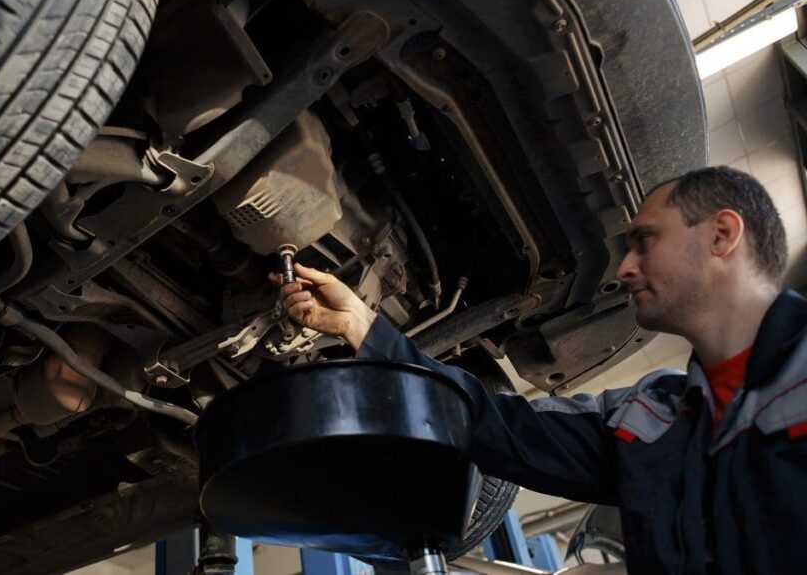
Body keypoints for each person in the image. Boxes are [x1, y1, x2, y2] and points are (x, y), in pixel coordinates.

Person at [275, 166, 807, 574]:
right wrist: (363, 326)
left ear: (721, 235)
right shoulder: (649, 418)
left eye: (645, 241)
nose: (625, 268)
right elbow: (492, 425)